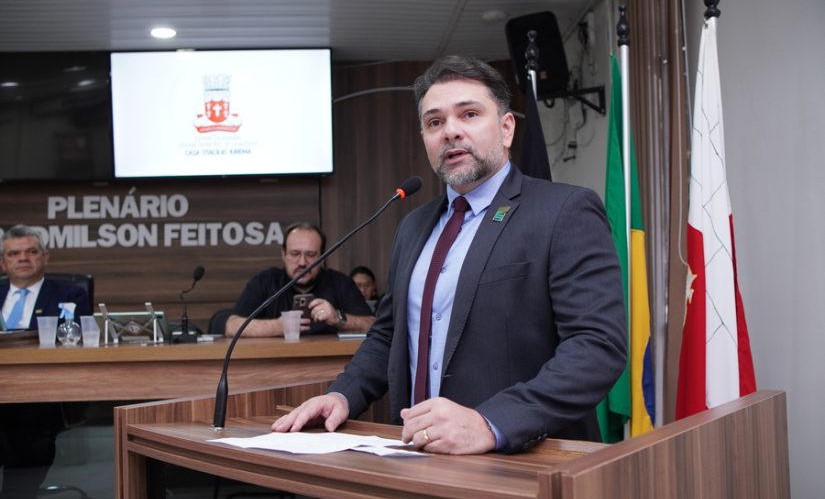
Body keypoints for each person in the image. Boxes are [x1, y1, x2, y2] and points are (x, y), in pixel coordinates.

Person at [272, 56, 627, 455]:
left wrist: (492, 423)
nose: (451, 131)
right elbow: (389, 336)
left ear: (506, 128)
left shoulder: (563, 211)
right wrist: (342, 395)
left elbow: (597, 347)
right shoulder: (413, 226)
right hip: (416, 456)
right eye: (434, 122)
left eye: (469, 114)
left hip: (525, 461)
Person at [0, 224, 92, 499]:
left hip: (43, 392)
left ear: (45, 257)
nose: (22, 258)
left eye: (31, 251)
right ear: (3, 263)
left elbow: (78, 341)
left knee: (26, 430)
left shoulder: (71, 294)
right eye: (14, 253)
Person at [225, 222, 374, 337]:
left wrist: (338, 318)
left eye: (311, 255)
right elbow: (231, 327)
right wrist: (278, 326)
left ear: (322, 258)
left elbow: (373, 325)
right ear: (284, 254)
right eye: (295, 254)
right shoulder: (265, 281)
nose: (302, 262)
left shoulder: (340, 282)